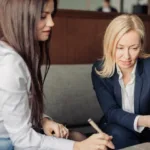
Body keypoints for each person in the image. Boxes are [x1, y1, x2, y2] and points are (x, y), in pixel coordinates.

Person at [0, 0, 115, 150]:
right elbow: (22, 140)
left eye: (51, 14)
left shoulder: (21, 54)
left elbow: (14, 109)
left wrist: (44, 120)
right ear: (22, 17)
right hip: (8, 142)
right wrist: (78, 147)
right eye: (43, 16)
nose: (52, 23)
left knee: (78, 137)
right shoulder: (10, 65)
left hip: (15, 136)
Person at [92, 14, 150, 149]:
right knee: (118, 135)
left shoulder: (148, 66)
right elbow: (111, 111)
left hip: (147, 132)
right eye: (120, 47)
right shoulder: (99, 69)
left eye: (134, 48)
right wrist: (145, 120)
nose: (127, 56)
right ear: (109, 44)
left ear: (141, 45)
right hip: (116, 127)